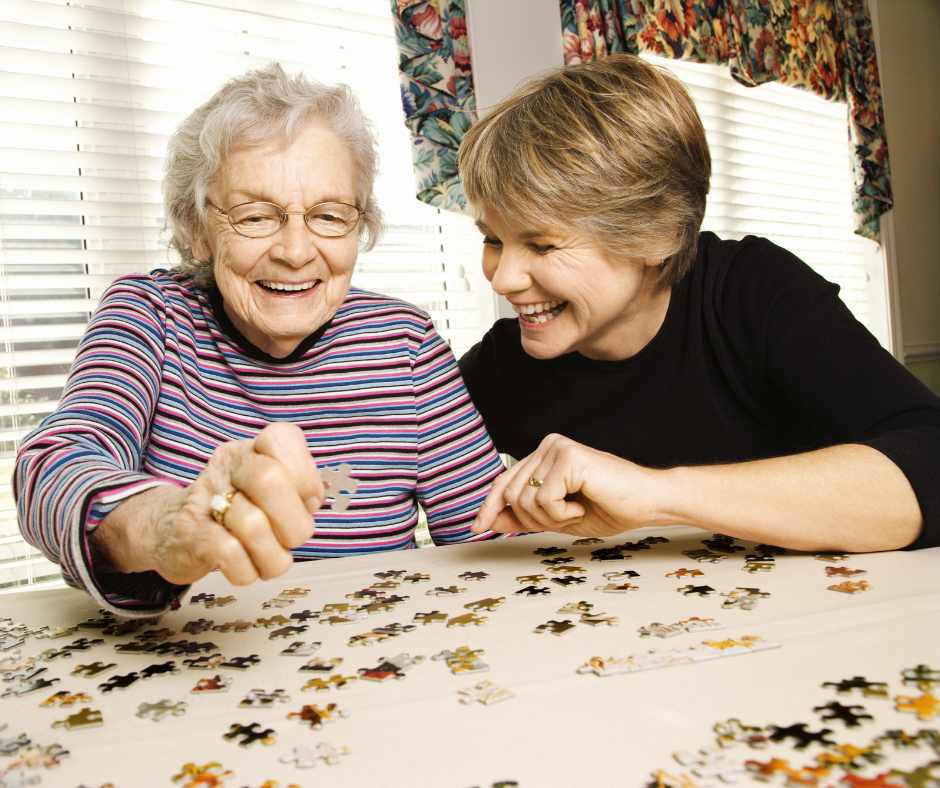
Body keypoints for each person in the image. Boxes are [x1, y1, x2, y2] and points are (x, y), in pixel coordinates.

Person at [14, 64, 503, 614]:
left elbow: (491, 539)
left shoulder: (405, 344)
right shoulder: (149, 315)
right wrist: (166, 524)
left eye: (327, 215)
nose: (295, 251)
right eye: (255, 216)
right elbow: (53, 465)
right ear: (196, 228)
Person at [457, 54, 940, 553]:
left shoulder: (755, 291)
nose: (503, 278)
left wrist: (655, 494)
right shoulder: (501, 364)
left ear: (657, 233)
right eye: (492, 239)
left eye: (542, 245)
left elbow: (932, 459)